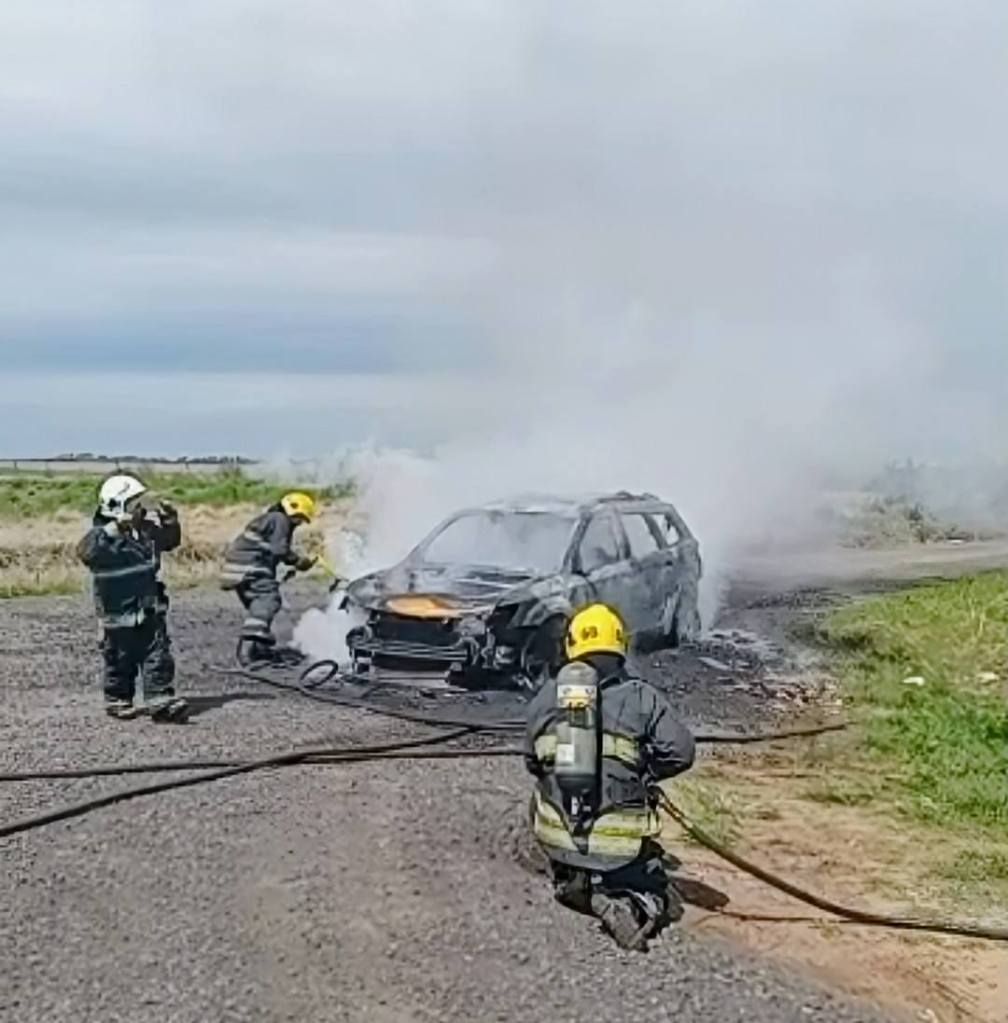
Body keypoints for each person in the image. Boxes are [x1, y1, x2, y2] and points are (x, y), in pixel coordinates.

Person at [524, 602, 695, 951]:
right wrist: (642, 775)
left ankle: (571, 877)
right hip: (619, 849)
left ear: (571, 646)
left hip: (555, 838)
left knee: (541, 797)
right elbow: (681, 753)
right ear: (620, 646)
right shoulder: (641, 697)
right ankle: (631, 904)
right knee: (662, 891)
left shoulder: (545, 697)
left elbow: (532, 762)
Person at [76, 473, 188, 721]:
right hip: (117, 612)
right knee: (119, 659)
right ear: (119, 507)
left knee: (158, 655)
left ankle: (160, 700)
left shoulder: (147, 531)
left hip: (149, 608)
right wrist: (115, 529)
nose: (141, 509)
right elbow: (86, 552)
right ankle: (118, 699)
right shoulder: (102, 538)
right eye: (136, 504)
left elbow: (169, 541)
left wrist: (171, 521)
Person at [220, 492, 318, 663]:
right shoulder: (279, 519)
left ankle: (258, 648)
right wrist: (298, 561)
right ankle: (248, 649)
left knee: (258, 607)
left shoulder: (269, 519)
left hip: (236, 569)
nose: (298, 523)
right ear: (292, 510)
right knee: (269, 599)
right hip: (250, 567)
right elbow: (279, 549)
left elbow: (270, 551)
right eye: (299, 518)